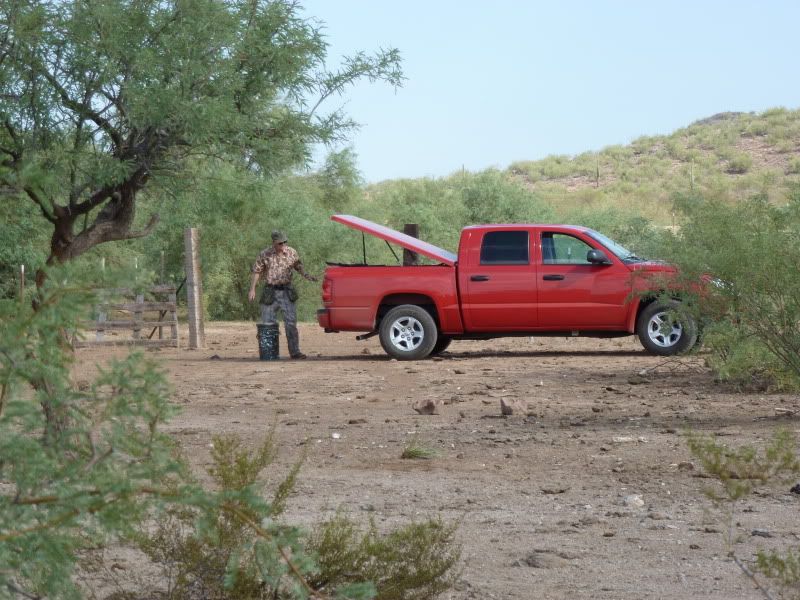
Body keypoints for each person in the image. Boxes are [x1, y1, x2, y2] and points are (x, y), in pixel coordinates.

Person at [248, 230, 317, 359]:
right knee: (268, 324)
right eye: (280, 243)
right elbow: (256, 271)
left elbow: (298, 266)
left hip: (286, 291)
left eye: (285, 242)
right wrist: (252, 289)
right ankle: (269, 352)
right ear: (273, 242)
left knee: (291, 323)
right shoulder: (265, 254)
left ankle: (295, 352)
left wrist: (306, 275)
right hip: (270, 292)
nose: (283, 245)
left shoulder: (291, 252)